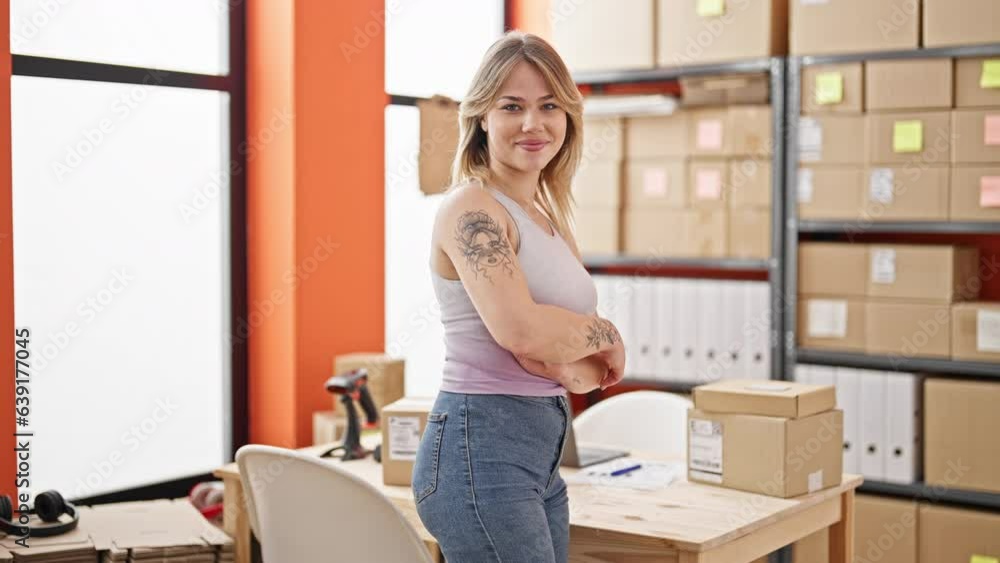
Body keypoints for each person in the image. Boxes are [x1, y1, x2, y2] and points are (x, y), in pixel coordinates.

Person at [411, 30, 626, 563]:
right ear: (482, 116)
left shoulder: (546, 218)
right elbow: (522, 333)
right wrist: (607, 334)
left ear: (568, 117)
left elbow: (579, 371)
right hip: (478, 453)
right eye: (513, 106)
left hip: (541, 454)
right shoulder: (471, 209)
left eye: (549, 105)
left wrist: (563, 347)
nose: (534, 124)